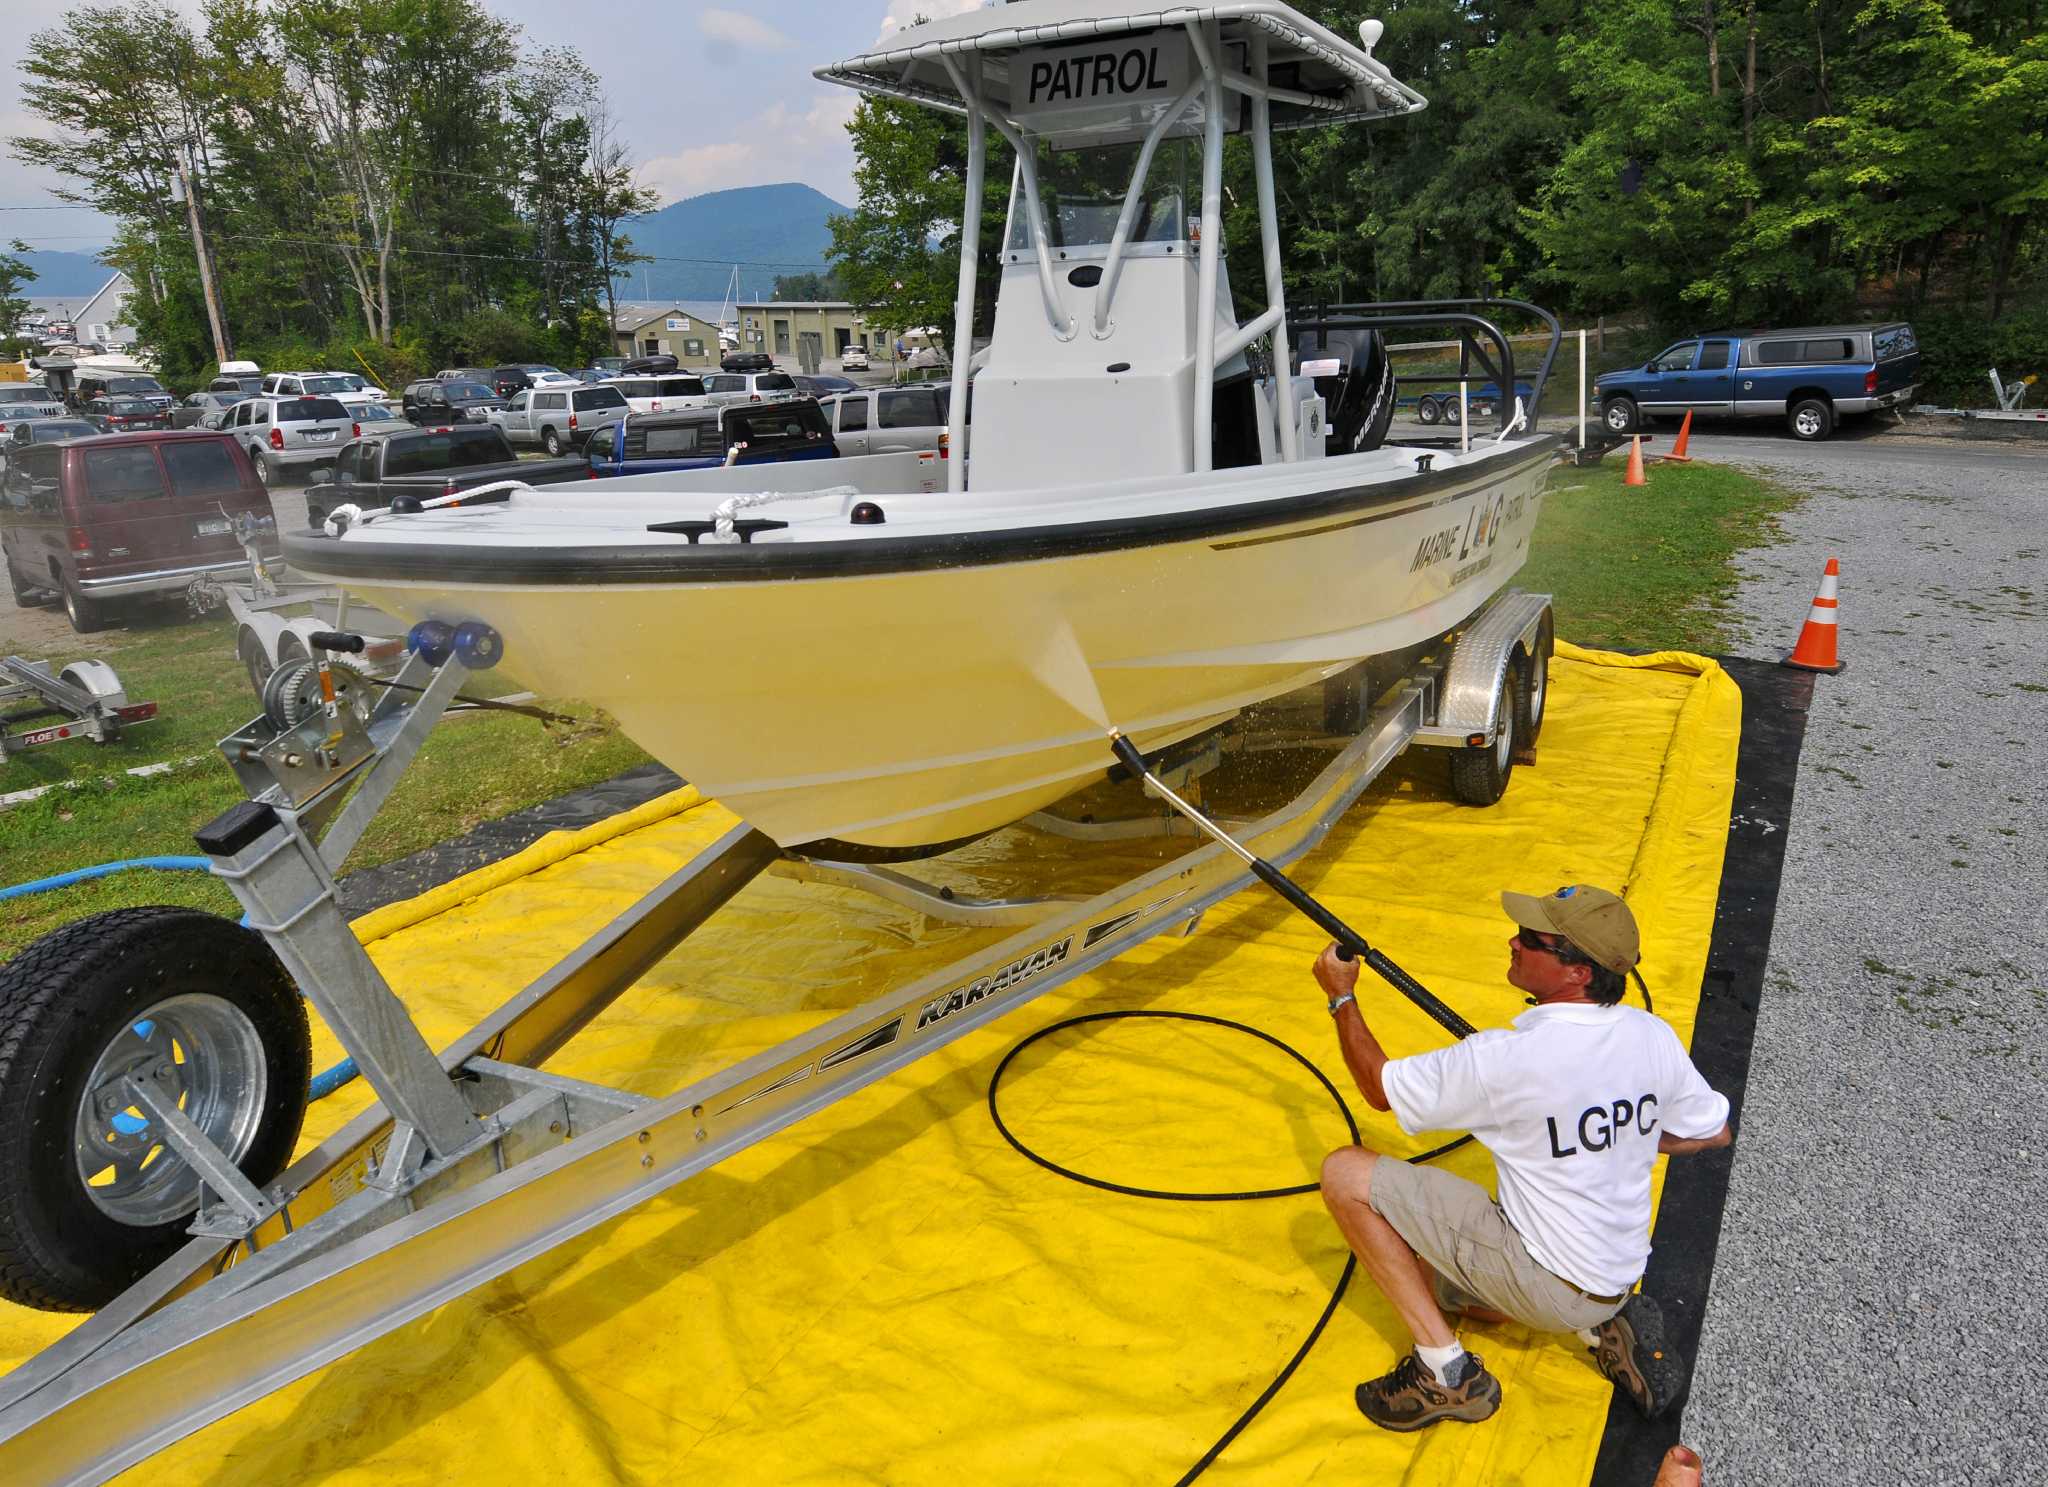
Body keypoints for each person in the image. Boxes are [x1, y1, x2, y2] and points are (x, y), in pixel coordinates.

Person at [1314, 884, 1733, 1431]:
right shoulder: (1651, 1034)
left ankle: (1445, 1373)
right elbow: (1714, 1132)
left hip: (1551, 1283)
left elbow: (1379, 1088)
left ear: (1577, 972)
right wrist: (1623, 1130)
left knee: (1344, 1173)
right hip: (1617, 1273)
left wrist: (1341, 996)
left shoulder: (1505, 1060)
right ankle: (1601, 1321)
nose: (1513, 940)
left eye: (1532, 940)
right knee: (1433, 1274)